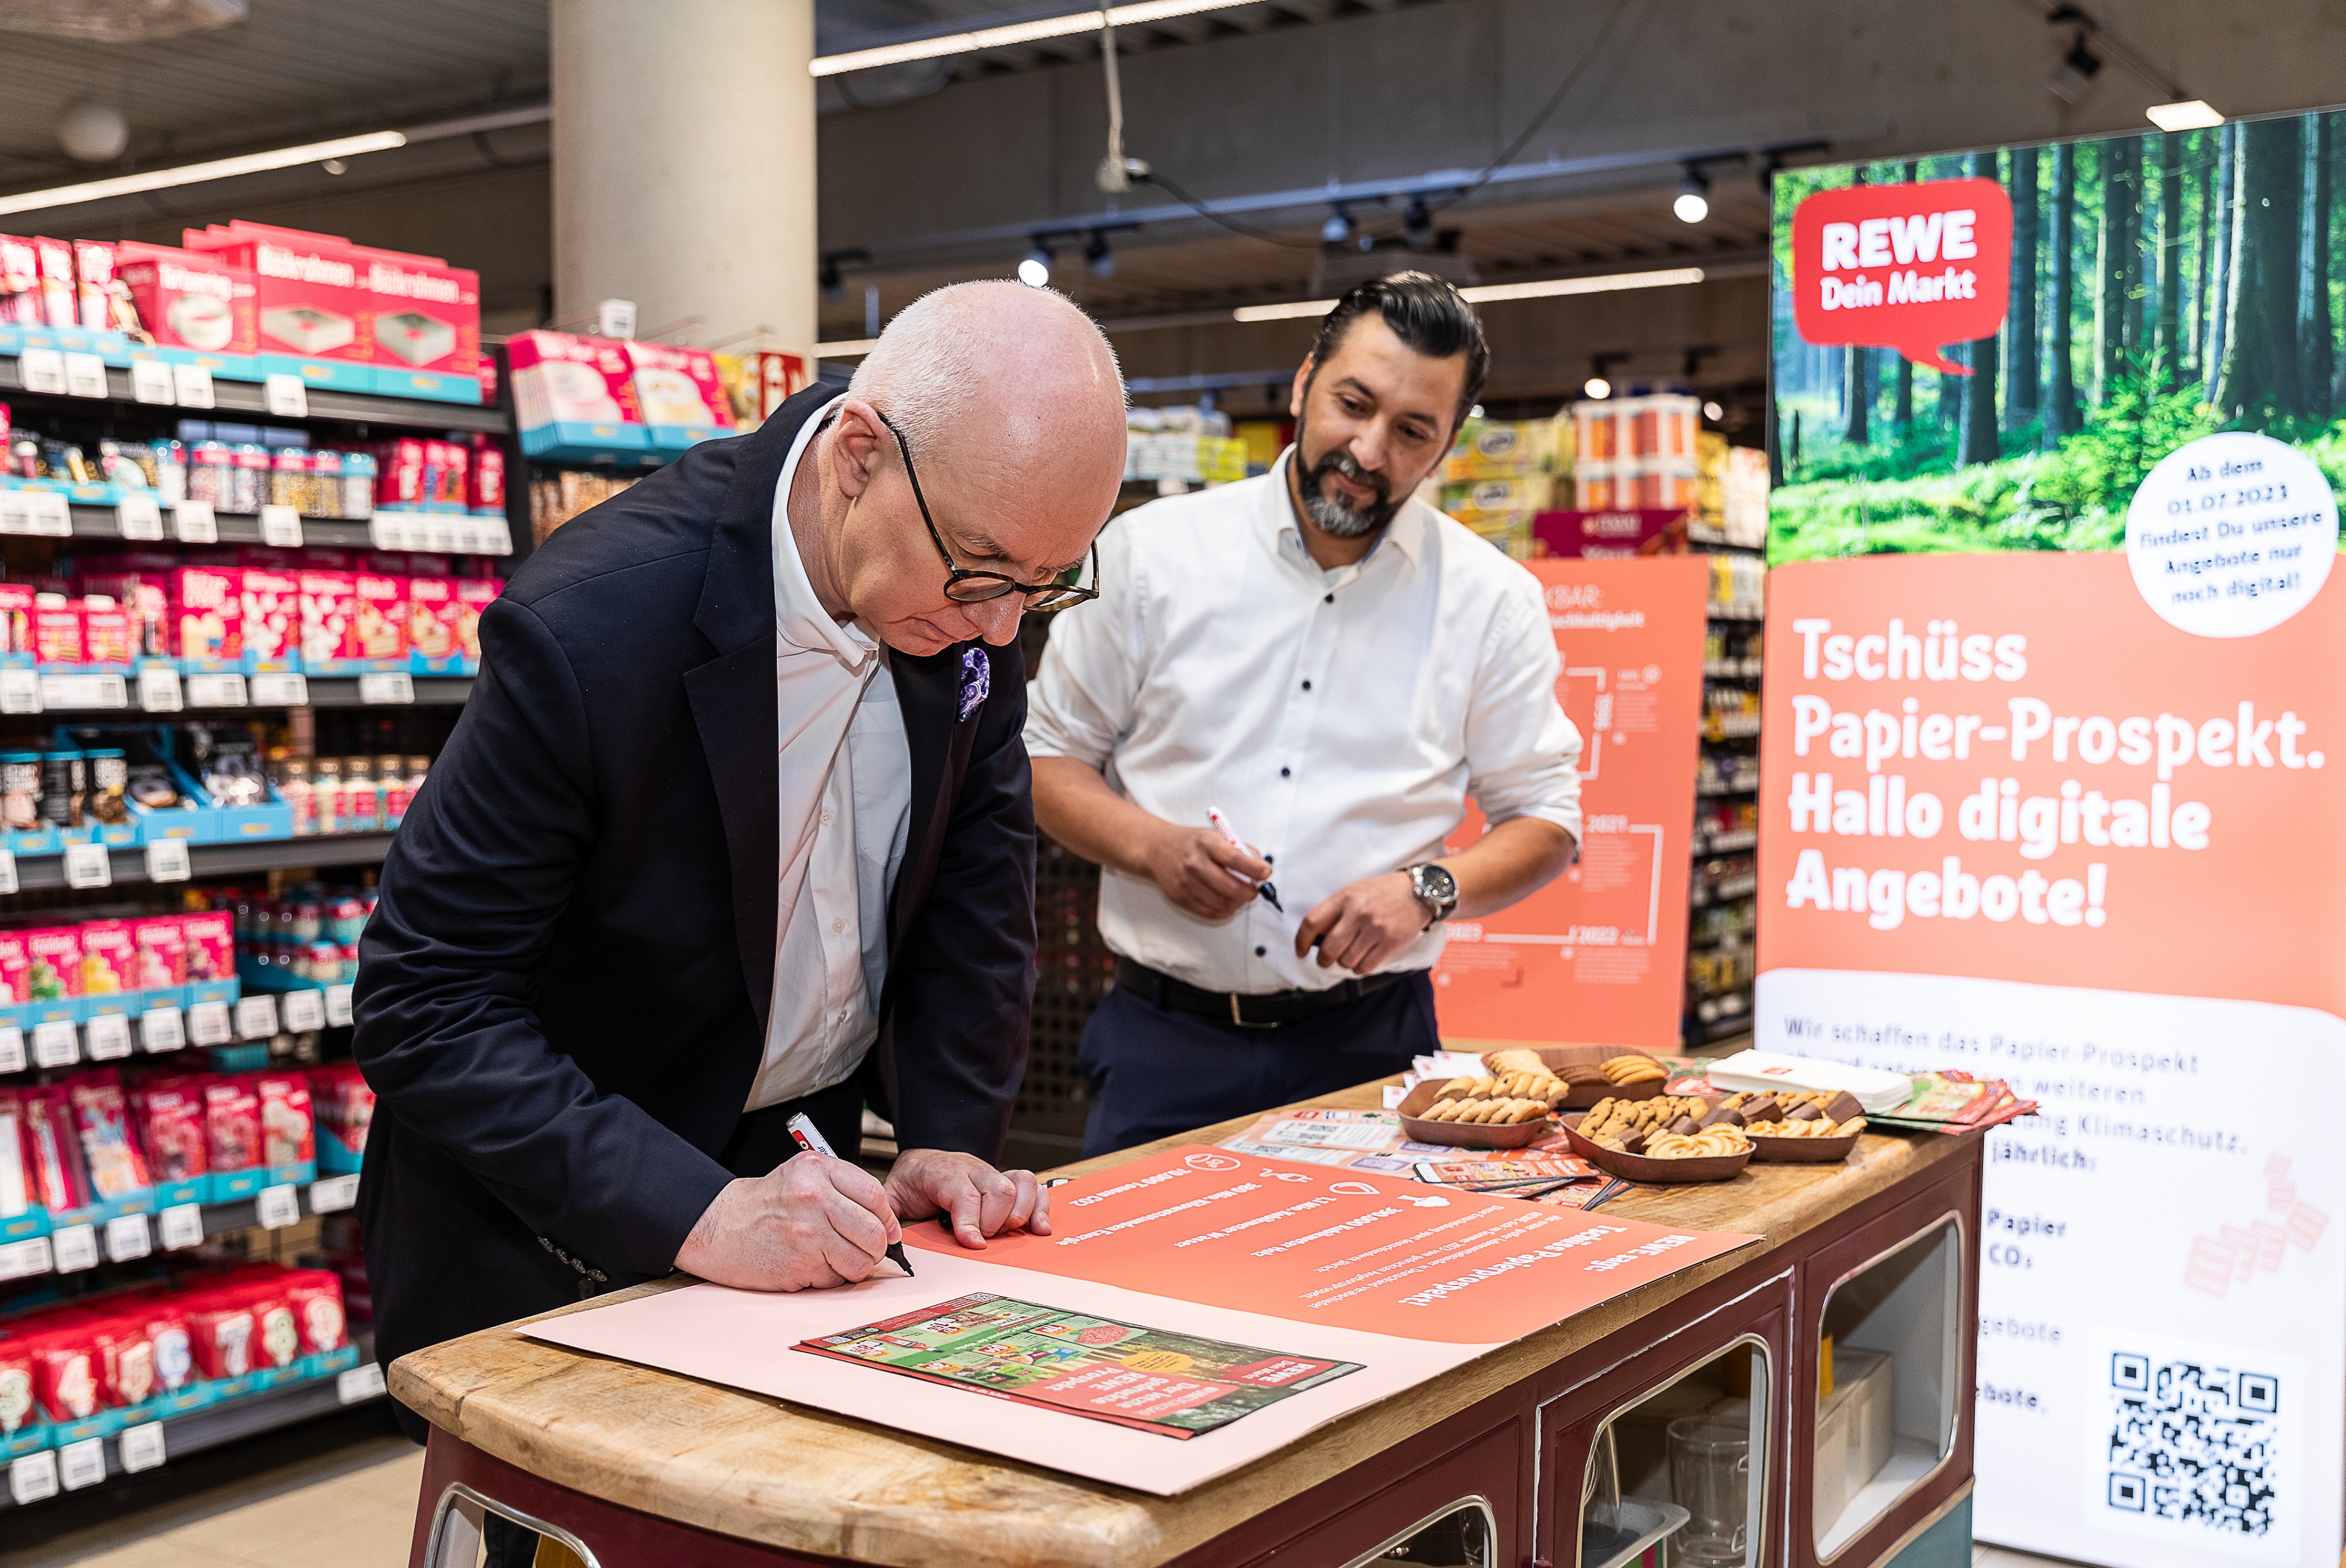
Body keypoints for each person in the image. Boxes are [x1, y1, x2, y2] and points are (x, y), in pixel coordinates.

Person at [353, 282, 1129, 1440]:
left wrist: (943, 1138)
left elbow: (979, 893)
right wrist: (696, 1211)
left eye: (1046, 584)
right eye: (984, 573)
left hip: (802, 1194)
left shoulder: (967, 601)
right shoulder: (594, 624)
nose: (1005, 630)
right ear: (858, 457)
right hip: (555, 1218)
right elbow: (425, 1001)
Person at [1026, 271, 1583, 1157]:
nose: (1366, 451)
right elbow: (1046, 760)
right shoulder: (1149, 556)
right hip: (1165, 1044)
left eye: (1411, 432)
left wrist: (1426, 892)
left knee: (1368, 1293)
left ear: (1443, 448)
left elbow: (1548, 819)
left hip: (1372, 1050)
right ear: (1302, 383)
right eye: (1351, 404)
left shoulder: (1493, 601)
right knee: (1131, 1293)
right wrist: (1153, 848)